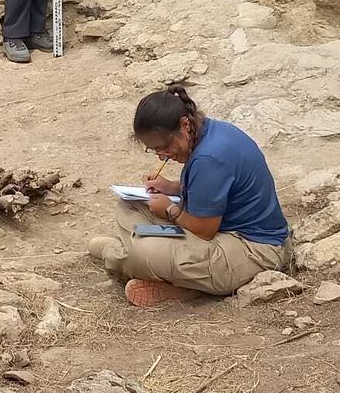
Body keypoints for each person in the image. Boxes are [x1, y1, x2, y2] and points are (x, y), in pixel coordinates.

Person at [89, 86, 291, 308]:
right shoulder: (208, 132)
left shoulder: (209, 158)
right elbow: (215, 191)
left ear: (185, 125)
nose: (162, 155)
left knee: (143, 251)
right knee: (129, 206)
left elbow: (204, 230)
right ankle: (169, 273)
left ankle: (119, 253)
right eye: (154, 150)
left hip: (254, 251)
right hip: (223, 231)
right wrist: (172, 187)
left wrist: (169, 209)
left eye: (165, 146)